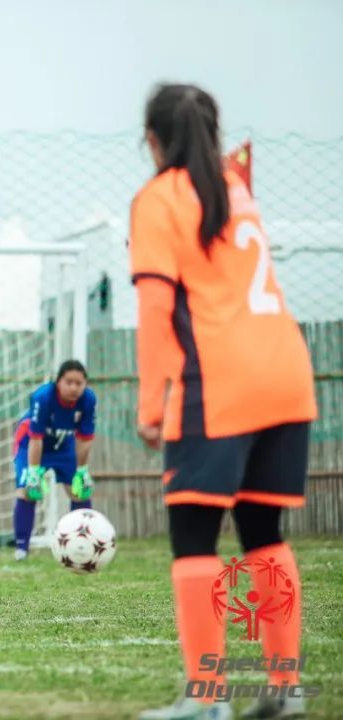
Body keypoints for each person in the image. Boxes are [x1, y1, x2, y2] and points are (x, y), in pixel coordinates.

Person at [131, 84, 316, 720]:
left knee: (194, 536)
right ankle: (285, 688)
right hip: (286, 373)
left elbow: (157, 310)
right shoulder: (235, 188)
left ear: (152, 139)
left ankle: (207, 698)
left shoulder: (160, 196)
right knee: (264, 532)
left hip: (219, 380)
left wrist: (150, 404)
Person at [10, 359, 96, 560]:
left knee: (80, 491)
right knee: (27, 491)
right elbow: (36, 438)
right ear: (58, 382)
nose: (74, 388)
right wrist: (34, 472)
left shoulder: (88, 400)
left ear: (85, 384)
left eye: (79, 383)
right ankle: (21, 548)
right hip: (31, 443)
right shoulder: (43, 397)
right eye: (69, 382)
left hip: (63, 444)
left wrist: (82, 470)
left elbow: (84, 439)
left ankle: (82, 545)